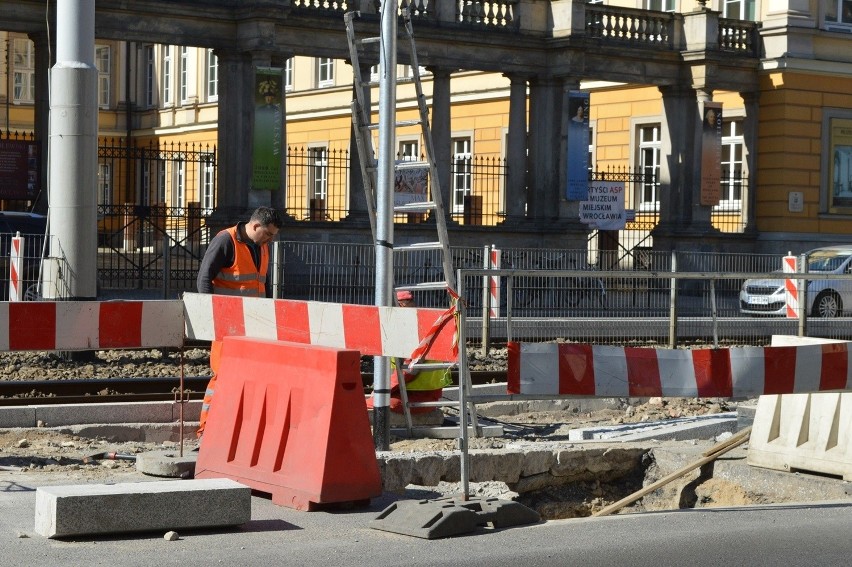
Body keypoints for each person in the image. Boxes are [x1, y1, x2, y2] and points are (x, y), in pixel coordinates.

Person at [195, 206, 283, 438]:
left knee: (251, 376)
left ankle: (238, 428)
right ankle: (207, 430)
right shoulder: (226, 241)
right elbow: (204, 277)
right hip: (227, 324)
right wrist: (210, 314)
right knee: (222, 375)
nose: (270, 240)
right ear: (255, 226)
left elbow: (258, 284)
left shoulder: (261, 247)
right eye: (268, 234)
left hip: (254, 324)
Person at [367, 289, 453, 414]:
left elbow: (409, 369)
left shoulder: (412, 329)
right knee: (374, 402)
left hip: (421, 397)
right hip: (409, 393)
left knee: (375, 404)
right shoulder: (412, 325)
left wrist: (381, 390)